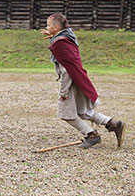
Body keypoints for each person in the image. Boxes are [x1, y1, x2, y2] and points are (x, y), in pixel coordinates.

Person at [41, 13, 126, 149]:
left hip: (71, 81)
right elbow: (64, 50)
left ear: (56, 27)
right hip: (78, 78)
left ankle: (91, 135)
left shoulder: (60, 43)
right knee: (83, 111)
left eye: (48, 26)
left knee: (66, 114)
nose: (46, 27)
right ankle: (113, 124)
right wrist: (52, 37)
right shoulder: (68, 36)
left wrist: (63, 92)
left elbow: (66, 70)